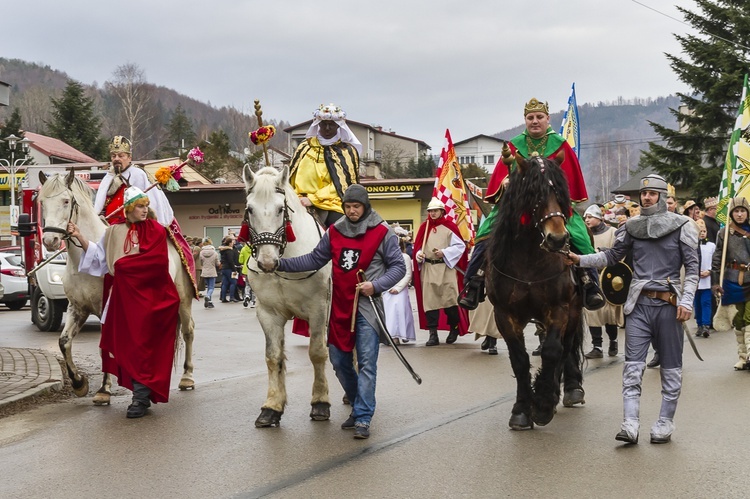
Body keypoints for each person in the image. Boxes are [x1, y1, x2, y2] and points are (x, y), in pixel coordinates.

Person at [565, 174, 699, 445]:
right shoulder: (631, 227)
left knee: (671, 368)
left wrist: (686, 301)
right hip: (638, 304)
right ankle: (630, 424)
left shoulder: (683, 225)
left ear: (662, 196)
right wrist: (580, 259)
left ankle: (664, 422)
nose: (646, 197)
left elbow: (693, 269)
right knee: (633, 367)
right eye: (644, 193)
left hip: (669, 305)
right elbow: (611, 257)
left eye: (652, 193)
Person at [276, 184, 406, 439]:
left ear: (365, 206)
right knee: (338, 361)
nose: (352, 211)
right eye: (347, 207)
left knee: (367, 363)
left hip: (368, 308)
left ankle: (364, 417)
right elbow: (314, 259)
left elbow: (398, 267)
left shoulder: (382, 232)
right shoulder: (335, 232)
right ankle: (359, 407)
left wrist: (376, 285)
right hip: (340, 307)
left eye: (356, 206)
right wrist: (279, 264)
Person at [459, 97, 605, 311]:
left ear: (548, 119)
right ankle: (473, 283)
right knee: (484, 235)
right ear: (525, 120)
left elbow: (569, 182)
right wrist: (505, 183)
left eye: (539, 117)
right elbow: (500, 178)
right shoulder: (513, 146)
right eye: (530, 118)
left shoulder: (560, 145)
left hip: (551, 207)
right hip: (517, 208)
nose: (535, 121)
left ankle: (590, 283)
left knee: (580, 236)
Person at [68, 186, 181, 418]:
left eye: (146, 206)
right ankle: (141, 395)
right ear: (128, 209)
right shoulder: (113, 232)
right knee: (130, 346)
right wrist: (80, 236)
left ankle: (141, 396)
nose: (145, 209)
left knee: (145, 346)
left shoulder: (157, 231)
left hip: (151, 298)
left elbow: (156, 264)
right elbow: (100, 260)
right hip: (122, 299)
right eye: (140, 206)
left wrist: (123, 267)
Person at [94, 136, 197, 291]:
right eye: (113, 156)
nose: (116, 159)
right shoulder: (107, 178)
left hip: (133, 228)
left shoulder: (139, 175)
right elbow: (100, 205)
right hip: (110, 228)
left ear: (129, 157)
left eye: (121, 156)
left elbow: (150, 204)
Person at [289, 103, 361, 228]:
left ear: (338, 126)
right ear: (318, 124)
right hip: (297, 200)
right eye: (324, 124)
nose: (327, 128)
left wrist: (313, 199)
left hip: (330, 202)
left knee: (343, 228)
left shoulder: (346, 151)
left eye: (332, 125)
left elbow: (344, 185)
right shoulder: (304, 146)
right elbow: (291, 176)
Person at [413, 198, 467, 346]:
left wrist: (445, 252)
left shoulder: (450, 227)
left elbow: (460, 246)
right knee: (430, 303)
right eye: (430, 211)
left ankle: (454, 328)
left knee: (450, 301)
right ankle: (433, 334)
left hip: (446, 268)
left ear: (442, 211)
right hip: (429, 268)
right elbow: (418, 247)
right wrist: (419, 255)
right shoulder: (425, 227)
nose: (432, 213)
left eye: (435, 210)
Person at [711, 196, 750, 370]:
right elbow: (717, 259)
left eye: (743, 211)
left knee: (749, 317)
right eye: (736, 211)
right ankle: (742, 357)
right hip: (732, 280)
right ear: (731, 213)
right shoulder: (723, 233)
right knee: (739, 319)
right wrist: (714, 282)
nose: (740, 214)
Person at [582, 204, 624, 358]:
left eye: (590, 217)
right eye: (585, 217)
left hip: (609, 278)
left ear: (599, 218)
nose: (587, 220)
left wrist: (603, 252)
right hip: (590, 279)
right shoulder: (584, 235)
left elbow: (620, 252)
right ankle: (597, 346)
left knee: (609, 314)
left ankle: (613, 342)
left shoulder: (612, 232)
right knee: (593, 311)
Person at [382, 237, 416, 344]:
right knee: (389, 313)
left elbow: (408, 274)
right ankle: (393, 336)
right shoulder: (384, 257)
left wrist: (398, 288)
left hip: (400, 289)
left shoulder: (404, 257)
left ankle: (404, 333)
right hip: (387, 288)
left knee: (401, 311)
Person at [693, 219, 715, 338]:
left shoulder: (711, 246)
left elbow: (715, 261)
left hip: (707, 279)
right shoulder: (692, 246)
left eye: (704, 231)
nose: (702, 233)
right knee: (697, 303)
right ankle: (700, 324)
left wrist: (709, 271)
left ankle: (706, 325)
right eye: (700, 231)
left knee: (706, 302)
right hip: (695, 279)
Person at [218, 236, 240, 303]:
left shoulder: (223, 251)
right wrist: (234, 269)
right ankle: (232, 297)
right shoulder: (229, 251)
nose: (233, 243)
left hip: (224, 268)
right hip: (229, 268)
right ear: (230, 243)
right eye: (232, 241)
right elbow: (231, 261)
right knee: (233, 282)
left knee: (225, 283)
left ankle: (223, 297)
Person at [199, 238, 219, 308]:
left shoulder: (201, 252)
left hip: (204, 271)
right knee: (211, 287)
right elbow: (217, 263)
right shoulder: (214, 252)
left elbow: (200, 262)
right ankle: (208, 296)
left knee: (208, 286)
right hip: (212, 271)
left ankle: (209, 302)